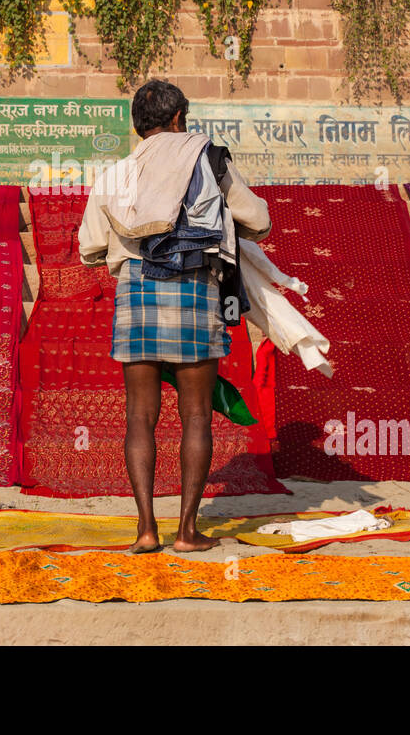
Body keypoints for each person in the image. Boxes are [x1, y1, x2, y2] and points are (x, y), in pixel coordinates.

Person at [77, 80, 272, 553]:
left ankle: (146, 529)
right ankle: (187, 531)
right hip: (195, 291)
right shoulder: (207, 159)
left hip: (138, 291)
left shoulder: (118, 171)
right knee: (197, 415)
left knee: (140, 416)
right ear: (180, 117)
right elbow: (259, 221)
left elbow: (89, 248)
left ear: (137, 125)